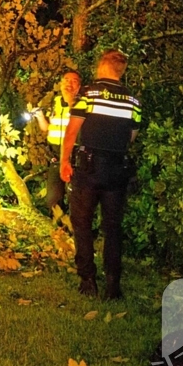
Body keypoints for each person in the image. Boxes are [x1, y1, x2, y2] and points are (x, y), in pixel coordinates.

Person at [60, 50, 141, 299]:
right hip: (117, 169)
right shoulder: (133, 101)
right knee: (112, 227)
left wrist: (64, 160)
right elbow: (132, 136)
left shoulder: (89, 93)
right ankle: (113, 285)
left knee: (82, 223)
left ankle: (87, 279)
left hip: (88, 168)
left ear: (103, 66)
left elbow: (72, 131)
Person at [32, 70, 81, 216]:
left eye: (73, 81)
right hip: (55, 156)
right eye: (66, 80)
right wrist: (40, 117)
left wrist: (71, 102)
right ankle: (58, 230)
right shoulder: (55, 103)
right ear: (60, 84)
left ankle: (75, 231)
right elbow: (47, 129)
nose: (69, 84)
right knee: (52, 199)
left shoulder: (82, 104)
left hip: (74, 157)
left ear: (79, 86)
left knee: (76, 198)